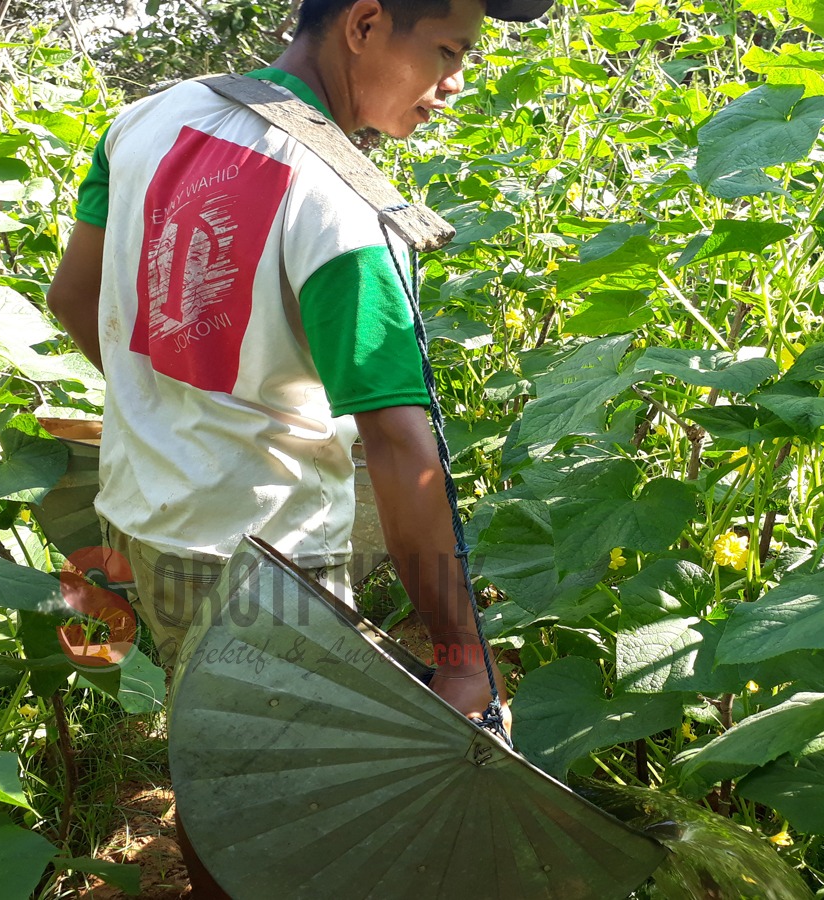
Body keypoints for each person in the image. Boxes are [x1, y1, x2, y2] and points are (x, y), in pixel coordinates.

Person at [48, 0, 551, 894]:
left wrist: (163, 409)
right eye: (445, 49)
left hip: (144, 523)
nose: (456, 82)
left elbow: (73, 296)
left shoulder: (148, 118)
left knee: (209, 758)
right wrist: (462, 654)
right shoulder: (341, 202)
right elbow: (403, 446)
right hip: (269, 565)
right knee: (294, 815)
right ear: (363, 24)